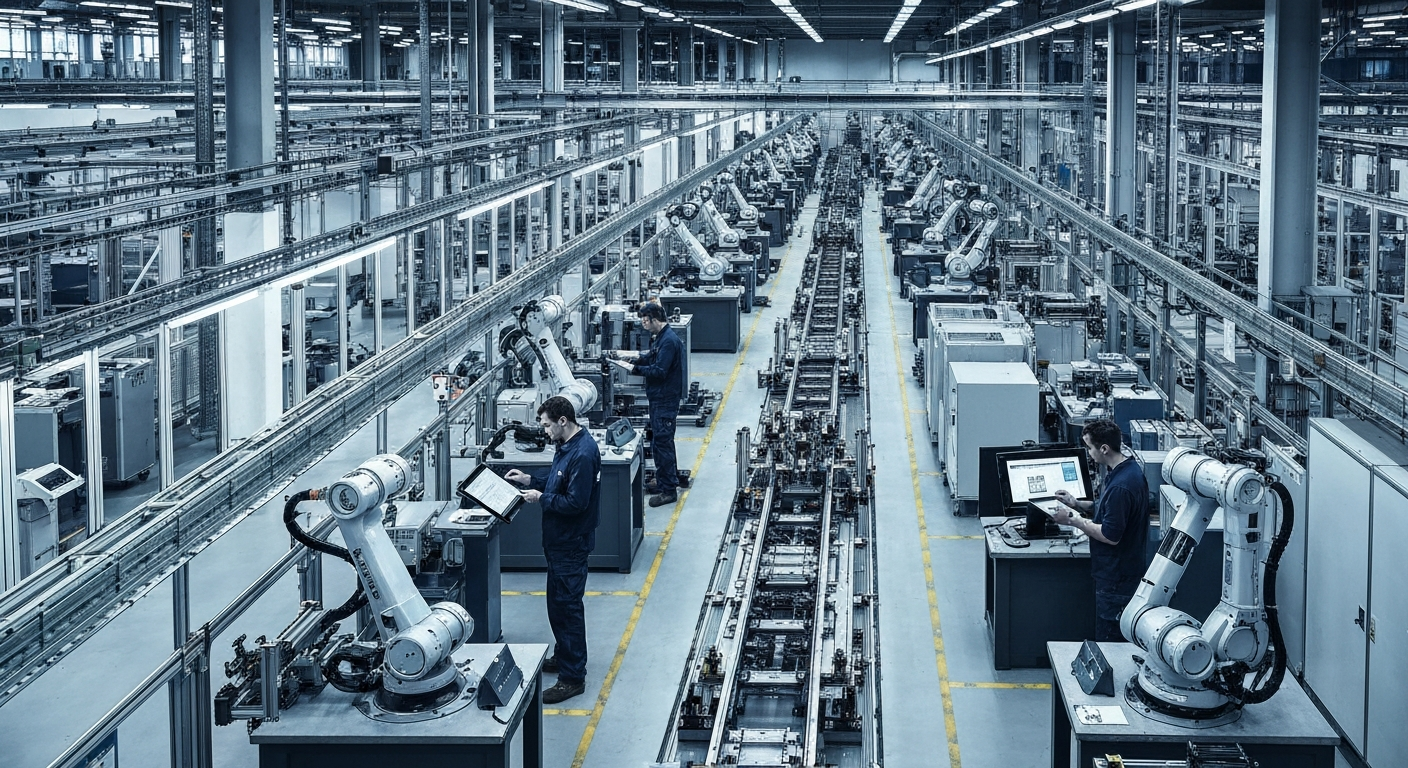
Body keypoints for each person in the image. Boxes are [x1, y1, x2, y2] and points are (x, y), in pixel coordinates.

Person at [504, 396, 601, 704]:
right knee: (557, 606)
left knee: (568, 608)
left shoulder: (584, 454)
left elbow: (575, 502)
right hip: (558, 542)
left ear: (563, 421)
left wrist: (538, 498)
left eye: (546, 425)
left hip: (571, 543)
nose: (543, 431)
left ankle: (573, 678)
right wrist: (531, 479)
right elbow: (559, 483)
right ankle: (564, 655)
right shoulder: (567, 446)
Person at [1050, 418, 1150, 642]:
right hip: (1122, 572)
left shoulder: (1122, 486)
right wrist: (1077, 504)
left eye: (1090, 447)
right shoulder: (1127, 470)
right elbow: (1109, 510)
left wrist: (1073, 519)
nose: (1089, 453)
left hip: (1116, 577)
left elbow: (1110, 535)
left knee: (1110, 640)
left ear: (1104, 448)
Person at [615, 301, 685, 507]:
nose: (643, 324)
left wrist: (633, 370)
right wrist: (630, 360)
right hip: (659, 398)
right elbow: (651, 358)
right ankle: (666, 480)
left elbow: (660, 371)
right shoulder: (661, 338)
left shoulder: (669, 341)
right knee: (660, 441)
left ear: (655, 319)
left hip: (665, 399)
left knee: (662, 442)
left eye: (645, 321)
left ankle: (668, 491)